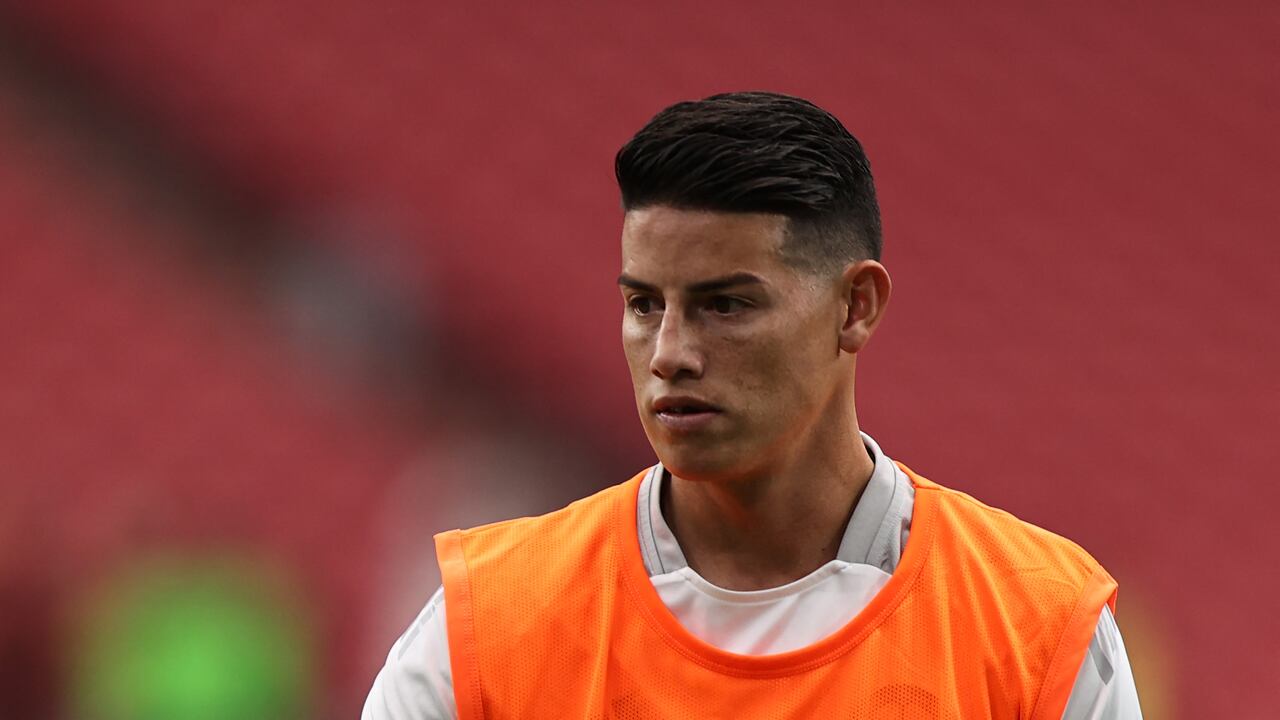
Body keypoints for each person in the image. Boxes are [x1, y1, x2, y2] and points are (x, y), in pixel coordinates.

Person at [363, 91, 1142, 719]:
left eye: (725, 306)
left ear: (856, 307)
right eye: (643, 305)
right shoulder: (485, 634)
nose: (669, 351)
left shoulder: (1037, 629)